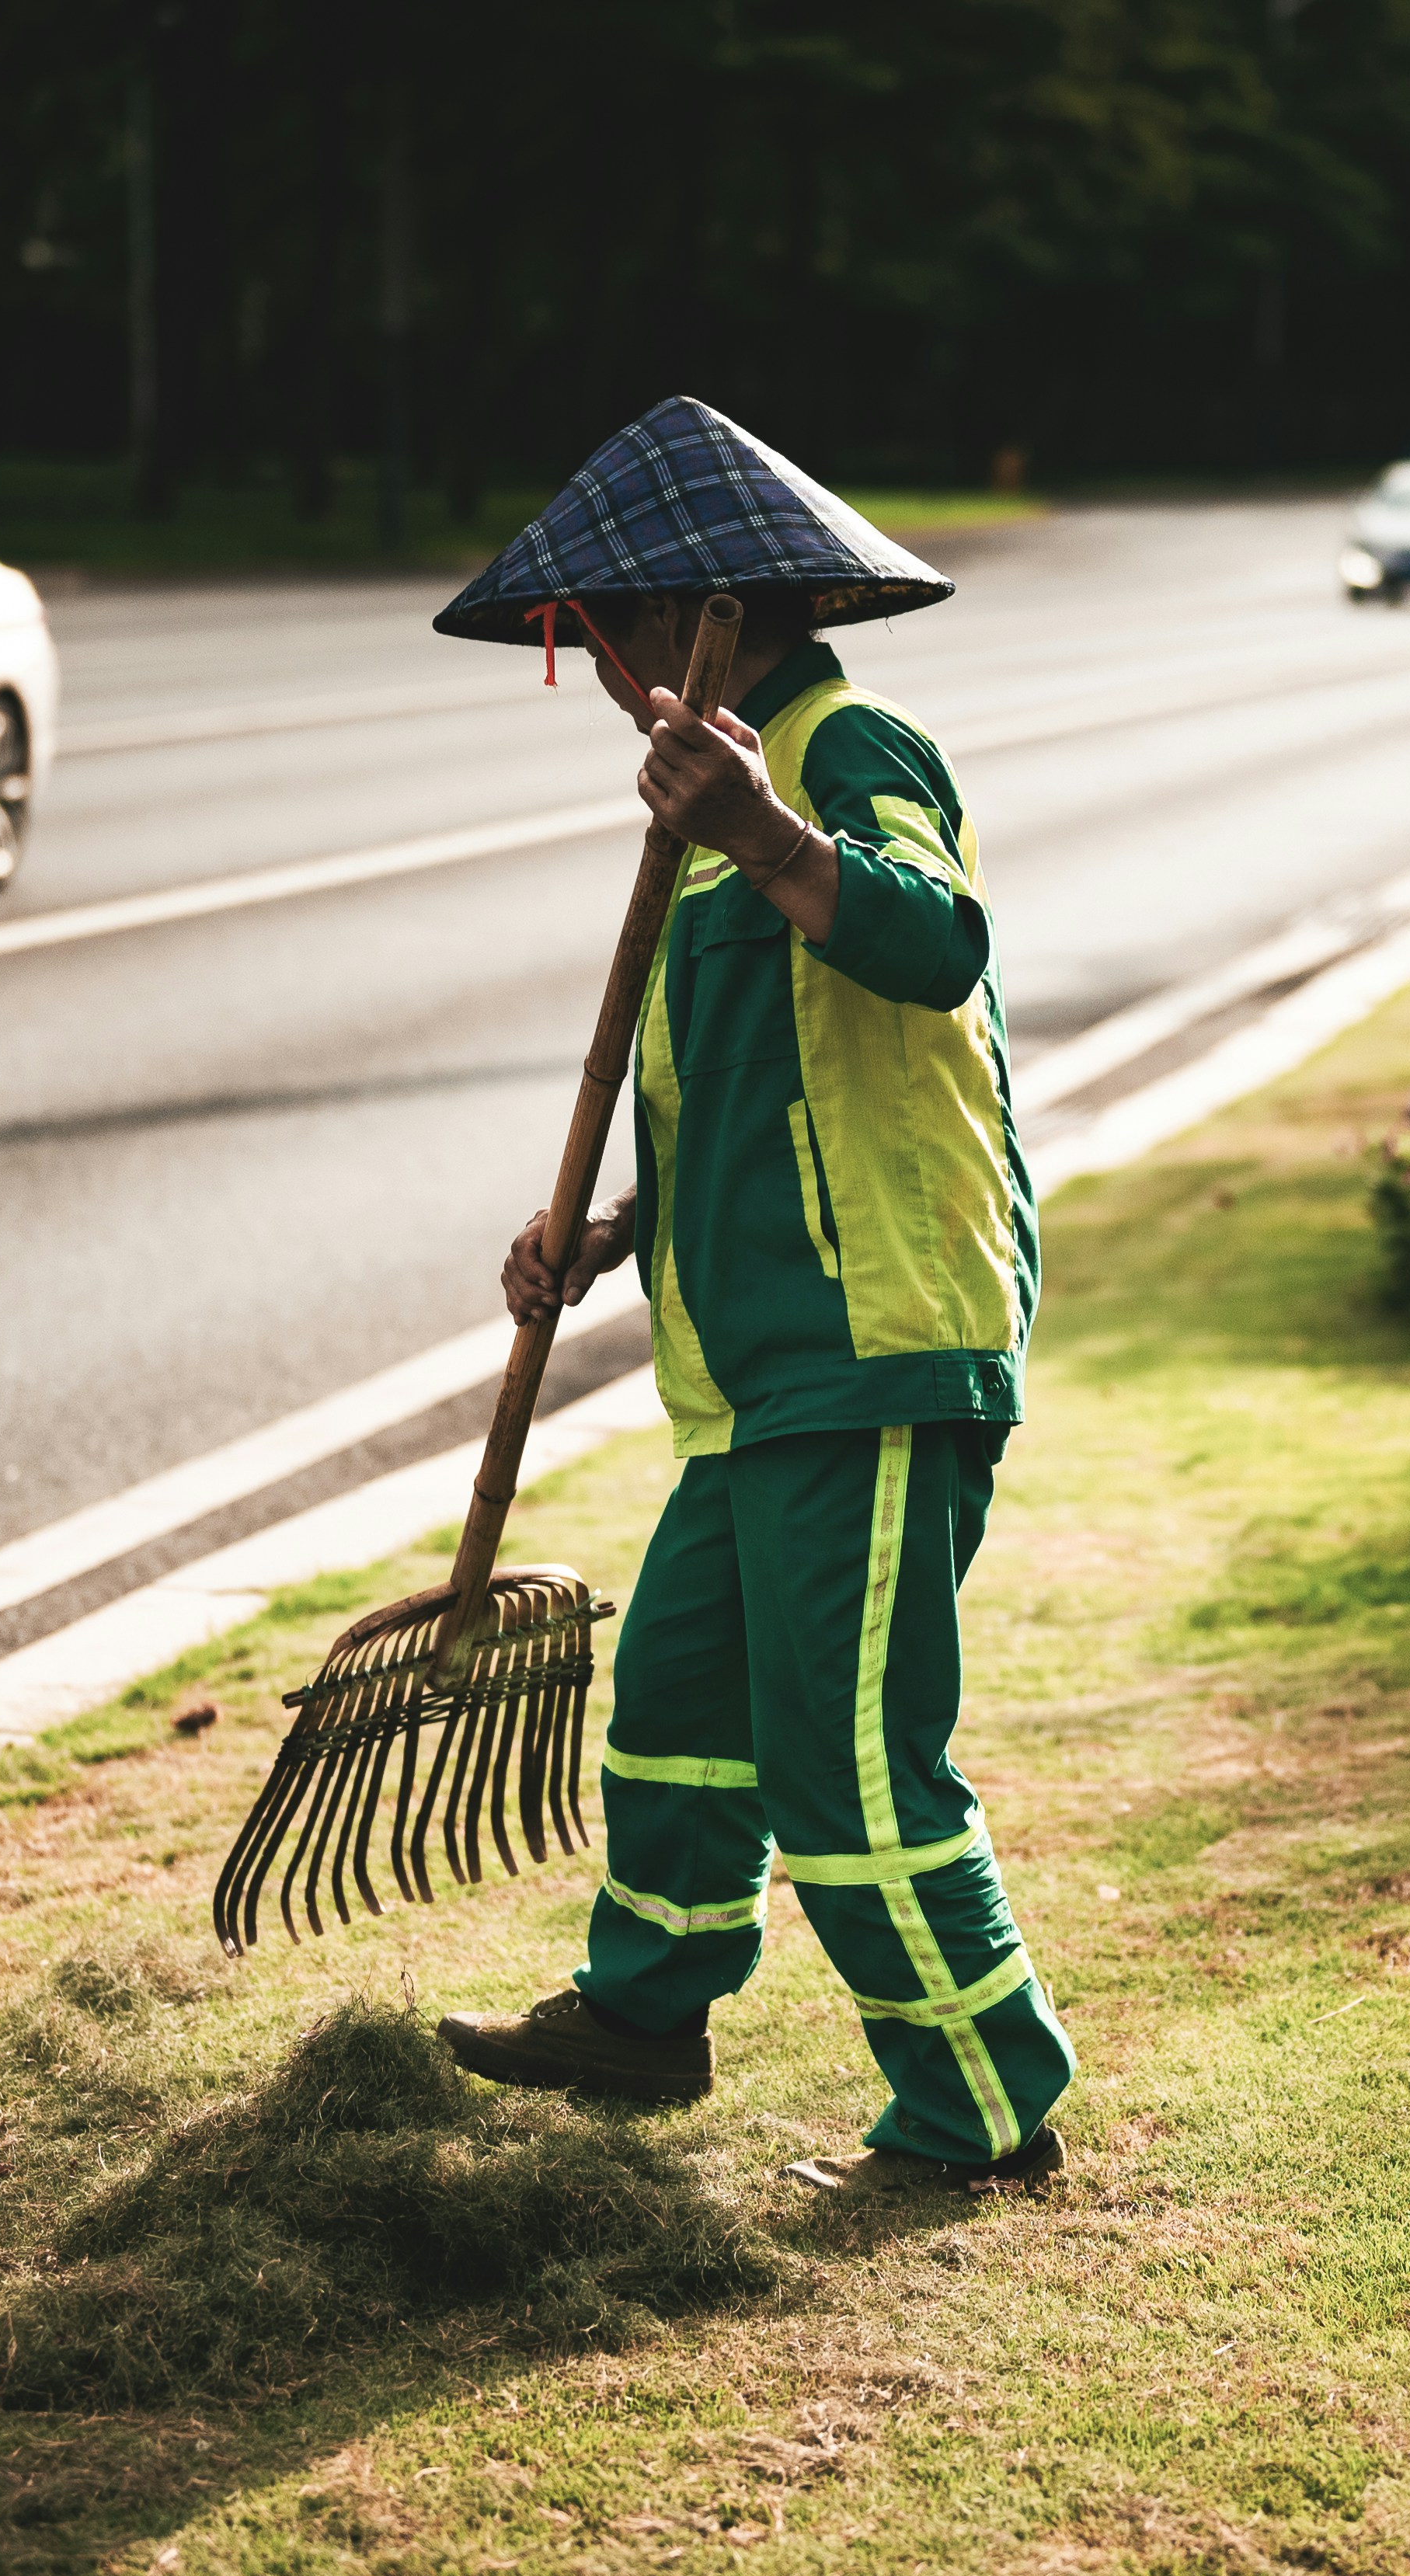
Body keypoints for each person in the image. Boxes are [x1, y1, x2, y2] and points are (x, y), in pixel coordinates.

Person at [426, 399, 1075, 2194]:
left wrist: (771, 832)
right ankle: (643, 2021)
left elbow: (934, 944)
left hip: (873, 1351)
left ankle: (980, 2108)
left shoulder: (848, 748)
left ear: (701, 614)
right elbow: (764, 1082)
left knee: (853, 1769)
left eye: (606, 628)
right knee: (680, 1704)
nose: (604, 667)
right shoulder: (706, 802)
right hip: (756, 1372)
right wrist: (613, 1228)